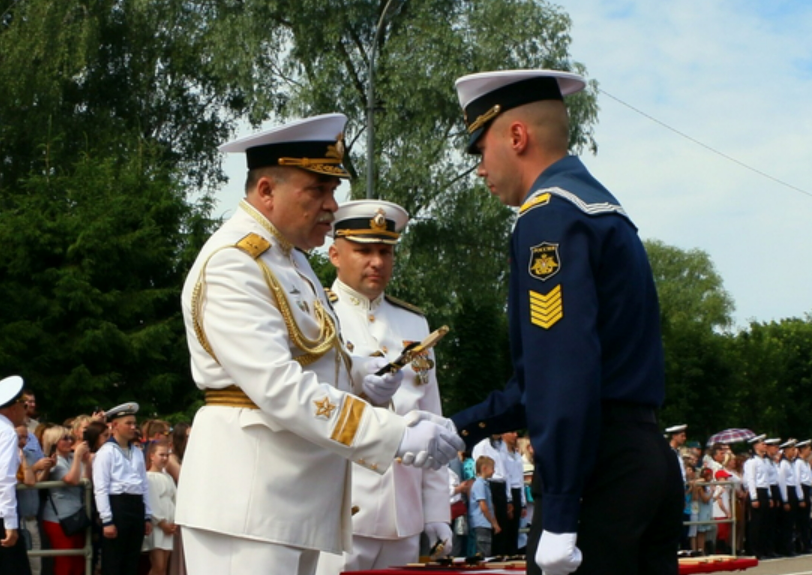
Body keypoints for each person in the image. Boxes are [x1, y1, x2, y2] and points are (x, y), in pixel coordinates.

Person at [176, 113, 464, 575]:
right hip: (248, 501)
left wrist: (358, 375)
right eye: (318, 190)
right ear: (266, 190)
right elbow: (278, 385)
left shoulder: (292, 261)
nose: (332, 206)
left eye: (333, 191)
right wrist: (395, 434)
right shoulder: (235, 262)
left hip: (289, 500)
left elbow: (310, 354)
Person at [448, 69, 683, 575]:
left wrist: (558, 508)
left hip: (598, 475)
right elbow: (548, 377)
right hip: (642, 458)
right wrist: (460, 428)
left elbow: (563, 373)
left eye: (479, 149)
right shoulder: (602, 209)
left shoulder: (548, 218)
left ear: (516, 136)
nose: (480, 169)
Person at [315, 199, 452, 573]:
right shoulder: (316, 315)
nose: (376, 261)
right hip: (339, 512)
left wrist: (436, 511)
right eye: (363, 250)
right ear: (334, 254)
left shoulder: (414, 323)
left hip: (402, 514)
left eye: (385, 251)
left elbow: (431, 418)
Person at [93, 402, 153, 575]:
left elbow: (143, 484)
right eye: (128, 423)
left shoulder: (136, 451)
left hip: (135, 505)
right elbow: (101, 488)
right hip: (118, 505)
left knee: (132, 559)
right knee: (114, 560)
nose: (133, 427)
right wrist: (107, 520)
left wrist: (147, 515)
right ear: (115, 425)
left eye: (134, 423)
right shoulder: (106, 452)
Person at [41, 425, 91, 575]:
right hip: (58, 519)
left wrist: (86, 462)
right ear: (55, 442)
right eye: (65, 438)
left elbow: (86, 479)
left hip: (76, 515)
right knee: (65, 562)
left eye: (70, 438)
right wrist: (77, 457)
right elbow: (72, 480)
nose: (70, 441)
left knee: (79, 562)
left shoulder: (70, 457)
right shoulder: (54, 461)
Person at [0, 375, 32, 575]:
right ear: (12, 408)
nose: (26, 410)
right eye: (23, 404)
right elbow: (4, 479)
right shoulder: (7, 432)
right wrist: (10, 524)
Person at [142, 439, 176, 575]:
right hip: (158, 527)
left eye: (167, 455)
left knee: (164, 567)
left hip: (169, 525)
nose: (165, 458)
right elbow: (152, 502)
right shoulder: (149, 477)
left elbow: (174, 498)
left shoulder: (168, 477)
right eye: (161, 455)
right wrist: (162, 523)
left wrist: (174, 521)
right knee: (158, 566)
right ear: (151, 456)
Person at [469, 456, 500, 556]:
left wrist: (494, 522)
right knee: (484, 552)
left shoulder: (485, 484)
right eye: (492, 468)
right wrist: (493, 522)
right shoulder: (479, 484)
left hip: (485, 523)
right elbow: (483, 506)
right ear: (484, 468)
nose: (494, 471)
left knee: (487, 549)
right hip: (481, 523)